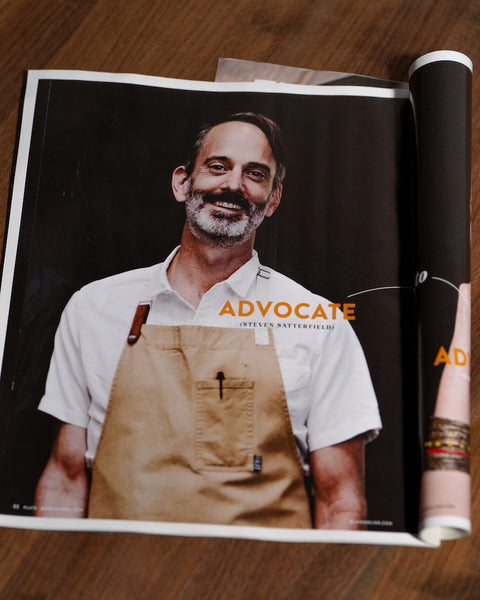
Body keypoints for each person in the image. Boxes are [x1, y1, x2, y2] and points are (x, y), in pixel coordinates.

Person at [34, 112, 382, 529]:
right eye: (218, 167)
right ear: (182, 183)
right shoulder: (93, 307)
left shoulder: (319, 322)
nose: (233, 185)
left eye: (255, 174)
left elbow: (341, 501)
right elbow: (65, 475)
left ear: (272, 199)